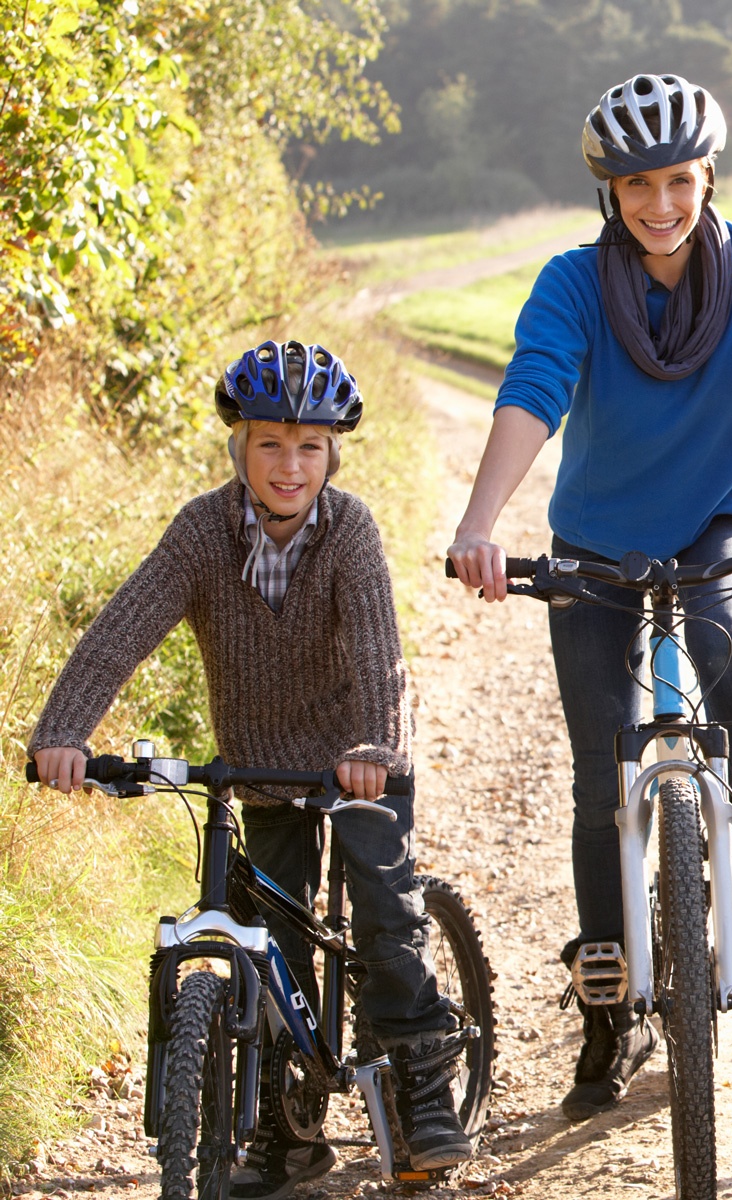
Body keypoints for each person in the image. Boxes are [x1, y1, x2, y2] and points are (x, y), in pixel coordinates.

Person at [444, 72, 732, 1121]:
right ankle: (607, 1003)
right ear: (611, 194)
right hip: (597, 534)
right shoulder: (574, 283)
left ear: (708, 175)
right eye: (638, 186)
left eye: (678, 179)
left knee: (729, 640)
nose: (661, 203)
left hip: (724, 512)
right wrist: (479, 525)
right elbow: (533, 391)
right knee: (602, 768)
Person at [29, 340, 471, 1197]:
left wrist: (374, 745)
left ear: (332, 455)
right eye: (269, 443)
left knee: (382, 907)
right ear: (239, 447)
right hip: (261, 767)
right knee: (265, 932)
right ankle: (284, 1124)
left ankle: (423, 1085)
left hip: (357, 758)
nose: (289, 464)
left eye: (310, 447)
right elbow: (124, 628)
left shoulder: (350, 532)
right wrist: (65, 729)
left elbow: (379, 647)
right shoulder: (202, 532)